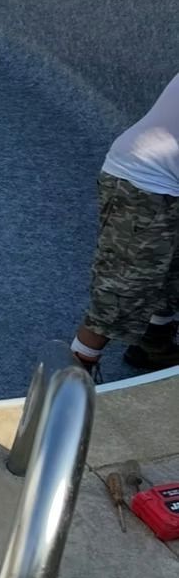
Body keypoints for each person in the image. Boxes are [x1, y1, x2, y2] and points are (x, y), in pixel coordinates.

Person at [73, 72, 179, 377]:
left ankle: (154, 344)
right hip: (142, 180)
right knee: (124, 289)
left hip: (165, 177)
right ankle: (73, 374)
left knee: (172, 270)